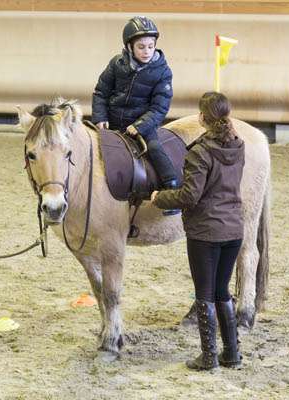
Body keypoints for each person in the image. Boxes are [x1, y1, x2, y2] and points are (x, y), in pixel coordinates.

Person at [151, 92, 244, 370]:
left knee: (204, 294)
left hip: (206, 232)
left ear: (202, 118)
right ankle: (232, 353)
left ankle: (209, 357)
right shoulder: (238, 146)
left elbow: (189, 196)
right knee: (222, 292)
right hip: (234, 229)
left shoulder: (200, 152)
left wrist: (159, 197)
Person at [92, 16, 179, 215]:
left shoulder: (163, 72)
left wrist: (140, 125)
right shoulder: (116, 64)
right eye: (141, 47)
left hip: (142, 124)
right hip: (112, 120)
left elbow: (160, 108)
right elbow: (101, 92)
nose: (147, 51)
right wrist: (100, 117)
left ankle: (171, 187)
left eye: (150, 46)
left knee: (155, 148)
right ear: (129, 46)